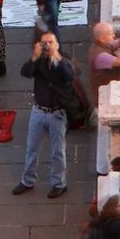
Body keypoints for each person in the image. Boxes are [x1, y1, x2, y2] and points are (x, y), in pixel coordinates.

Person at [14, 30, 75, 198]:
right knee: (32, 148)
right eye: (44, 43)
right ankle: (28, 180)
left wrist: (57, 58)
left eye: (50, 42)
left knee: (58, 151)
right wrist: (34, 56)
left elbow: (71, 75)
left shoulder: (64, 60)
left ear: (57, 45)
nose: (47, 46)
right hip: (39, 111)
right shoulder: (38, 61)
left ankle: (59, 183)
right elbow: (25, 72)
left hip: (57, 113)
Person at [88, 21, 120, 106]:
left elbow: (118, 42)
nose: (114, 36)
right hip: (104, 95)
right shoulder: (99, 56)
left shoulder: (104, 43)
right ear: (102, 39)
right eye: (110, 34)